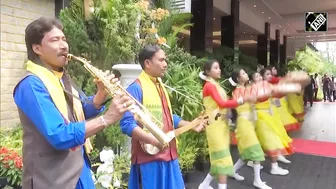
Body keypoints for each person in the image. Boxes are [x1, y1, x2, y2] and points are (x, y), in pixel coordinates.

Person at [13, 17, 134, 189]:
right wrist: (106, 119)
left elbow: (80, 112)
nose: (64, 45)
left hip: (80, 172)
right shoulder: (31, 85)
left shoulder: (62, 77)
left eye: (64, 39)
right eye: (55, 40)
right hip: (52, 180)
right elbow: (58, 135)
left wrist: (100, 94)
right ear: (37, 48)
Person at [119, 45, 205, 189]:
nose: (165, 64)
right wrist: (153, 139)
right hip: (149, 160)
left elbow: (167, 117)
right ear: (147, 63)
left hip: (169, 155)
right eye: (161, 60)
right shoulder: (135, 89)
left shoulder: (160, 86)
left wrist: (191, 124)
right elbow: (126, 124)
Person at [197, 60, 254, 189]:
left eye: (219, 68)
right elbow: (222, 104)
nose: (219, 70)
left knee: (219, 159)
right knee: (222, 160)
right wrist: (241, 100)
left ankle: (204, 185)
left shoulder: (215, 85)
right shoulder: (209, 86)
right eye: (215, 68)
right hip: (215, 125)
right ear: (207, 71)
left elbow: (225, 102)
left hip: (221, 124)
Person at [229, 69, 271, 189]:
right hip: (244, 123)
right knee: (256, 150)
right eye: (243, 73)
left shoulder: (244, 89)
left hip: (247, 123)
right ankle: (257, 181)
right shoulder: (239, 91)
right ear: (238, 79)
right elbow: (253, 99)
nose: (246, 74)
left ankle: (232, 171)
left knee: (246, 154)